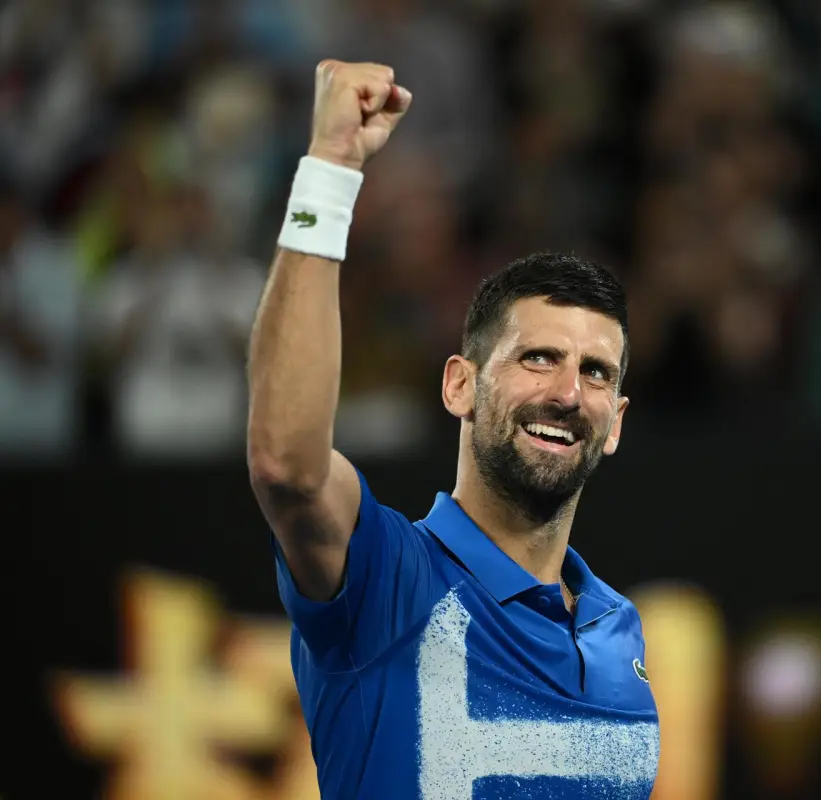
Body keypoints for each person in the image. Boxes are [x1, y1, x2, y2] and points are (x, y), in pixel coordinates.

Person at [246, 60, 660, 799]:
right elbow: (287, 463)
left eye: (596, 373)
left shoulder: (616, 630)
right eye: (538, 358)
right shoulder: (385, 579)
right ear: (459, 385)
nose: (568, 392)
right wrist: (331, 170)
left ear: (617, 422)